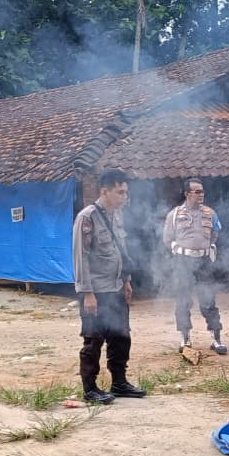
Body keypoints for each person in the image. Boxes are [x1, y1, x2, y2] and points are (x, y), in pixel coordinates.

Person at [73, 168, 147, 404]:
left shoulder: (116, 216)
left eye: (126, 193)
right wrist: (87, 294)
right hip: (96, 292)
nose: (124, 197)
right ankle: (90, 388)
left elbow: (121, 252)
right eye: (120, 192)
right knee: (93, 340)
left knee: (120, 336)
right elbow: (80, 257)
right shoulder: (87, 217)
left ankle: (119, 382)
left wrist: (126, 281)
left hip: (115, 288)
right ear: (104, 191)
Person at [164, 178, 227, 354]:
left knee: (208, 301)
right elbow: (167, 239)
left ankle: (216, 339)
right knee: (183, 300)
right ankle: (185, 339)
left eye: (202, 191)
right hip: (183, 261)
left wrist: (210, 247)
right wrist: (176, 249)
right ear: (187, 194)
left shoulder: (210, 213)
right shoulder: (174, 215)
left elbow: (215, 234)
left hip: (204, 261)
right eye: (197, 192)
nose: (201, 195)